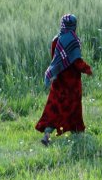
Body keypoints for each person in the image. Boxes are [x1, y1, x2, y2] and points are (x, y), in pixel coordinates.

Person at [36, 14, 92, 146]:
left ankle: (47, 135)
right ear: (74, 25)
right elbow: (77, 62)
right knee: (73, 108)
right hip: (72, 83)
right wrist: (87, 69)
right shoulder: (73, 40)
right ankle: (78, 134)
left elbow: (55, 61)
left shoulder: (56, 40)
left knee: (54, 109)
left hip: (58, 82)